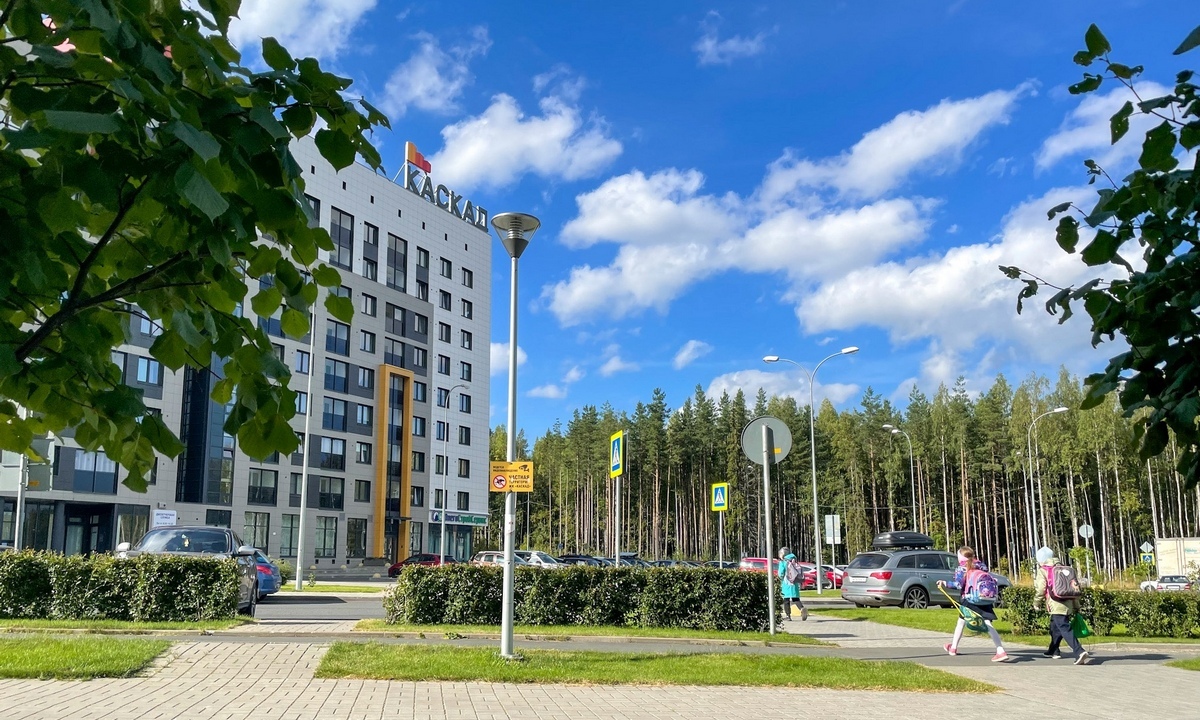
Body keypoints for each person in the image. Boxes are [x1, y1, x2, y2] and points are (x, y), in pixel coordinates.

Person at [937, 546, 1009, 662]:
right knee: (988, 624)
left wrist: (945, 583)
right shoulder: (981, 565)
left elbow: (959, 585)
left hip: (969, 599)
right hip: (984, 598)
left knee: (961, 622)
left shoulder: (962, 568)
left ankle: (953, 648)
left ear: (960, 558)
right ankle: (1000, 650)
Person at [1035, 546, 1090, 665]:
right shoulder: (1067, 569)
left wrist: (1036, 602)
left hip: (1055, 603)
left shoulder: (1043, 570)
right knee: (1055, 626)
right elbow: (1074, 589)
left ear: (1041, 560)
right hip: (1068, 603)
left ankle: (1079, 651)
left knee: (1064, 628)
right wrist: (1076, 606)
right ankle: (1053, 650)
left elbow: (1040, 588)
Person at [777, 547, 808, 621]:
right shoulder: (794, 560)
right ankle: (801, 608)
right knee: (795, 598)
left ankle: (788, 616)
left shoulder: (783, 562)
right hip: (794, 582)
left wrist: (779, 578)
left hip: (786, 582)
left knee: (786, 600)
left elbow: (781, 573)